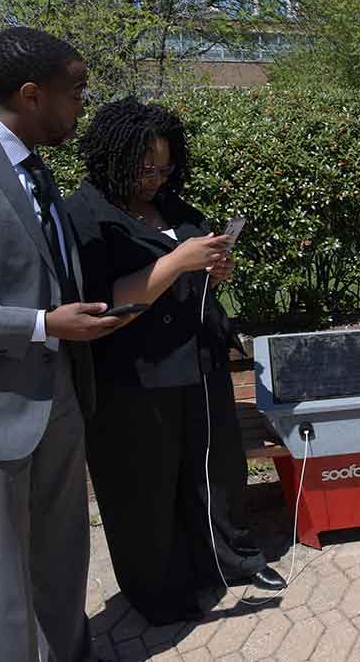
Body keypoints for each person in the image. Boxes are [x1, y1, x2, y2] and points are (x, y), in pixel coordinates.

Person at [66, 97, 286, 626]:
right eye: (146, 168)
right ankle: (159, 592)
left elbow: (196, 268)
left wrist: (215, 268)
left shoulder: (175, 208)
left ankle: (232, 559)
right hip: (135, 374)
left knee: (215, 469)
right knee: (144, 484)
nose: (156, 179)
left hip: (199, 361)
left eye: (166, 167)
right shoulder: (86, 216)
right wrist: (175, 262)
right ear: (113, 157)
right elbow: (102, 302)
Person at [0, 27, 125, 661]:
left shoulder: (34, 162)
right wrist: (44, 326)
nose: (82, 107)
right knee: (2, 577)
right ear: (31, 93)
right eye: (75, 93)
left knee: (64, 550)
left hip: (63, 398)